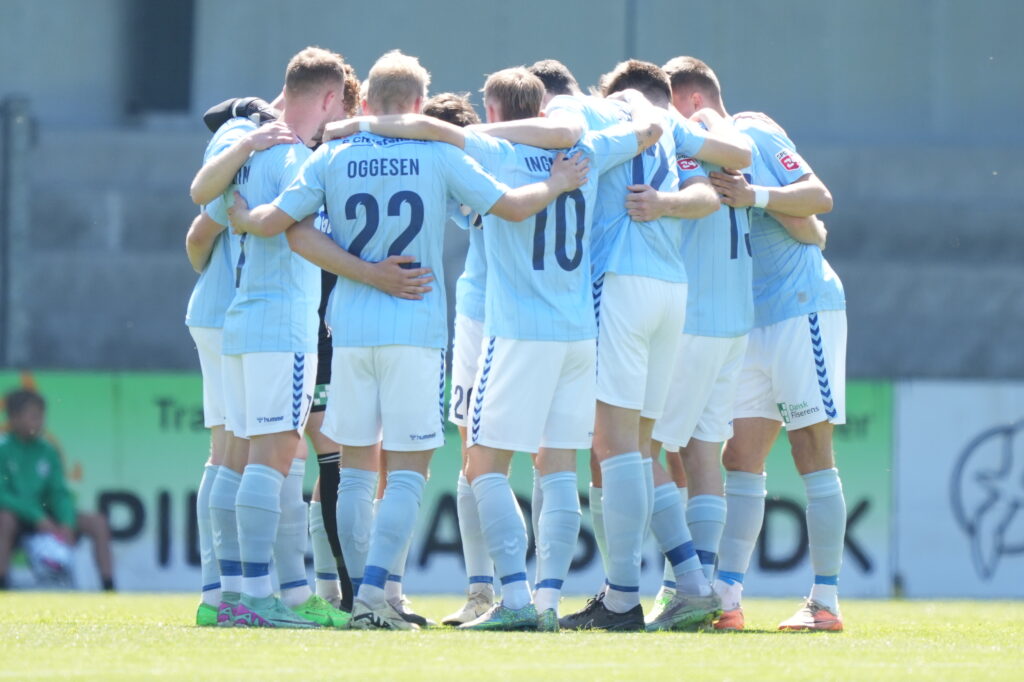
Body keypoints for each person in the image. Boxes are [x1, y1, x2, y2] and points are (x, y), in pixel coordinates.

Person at [229, 49, 589, 630]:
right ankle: (378, 593)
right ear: (420, 106)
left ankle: (362, 601)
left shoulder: (334, 154)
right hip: (416, 329)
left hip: (349, 330)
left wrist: (247, 219)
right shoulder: (436, 152)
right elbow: (513, 208)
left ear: (366, 102)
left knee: (354, 469)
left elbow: (285, 229)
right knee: (409, 472)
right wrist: (556, 183)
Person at [542, 59, 748, 631]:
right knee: (638, 448)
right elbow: (714, 185)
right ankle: (692, 583)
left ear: (617, 94)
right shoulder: (672, 124)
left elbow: (559, 131)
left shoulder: (600, 112)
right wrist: (665, 205)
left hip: (621, 282)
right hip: (670, 290)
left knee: (614, 450)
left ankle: (622, 598)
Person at [664, 56, 845, 632]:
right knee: (740, 457)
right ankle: (728, 597)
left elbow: (818, 198)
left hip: (801, 308)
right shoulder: (698, 154)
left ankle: (826, 601)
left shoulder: (751, 131)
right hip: (750, 321)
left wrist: (757, 197)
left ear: (691, 101)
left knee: (811, 452)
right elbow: (809, 227)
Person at [0, 389, 114, 591]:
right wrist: (36, 517)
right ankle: (3, 585)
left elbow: (59, 492)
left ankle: (109, 587)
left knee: (98, 523)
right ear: (14, 418)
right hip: (18, 517)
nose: (40, 421)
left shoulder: (48, 450)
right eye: (34, 416)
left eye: (42, 416)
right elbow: (3, 494)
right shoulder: (3, 449)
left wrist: (67, 523)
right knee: (4, 520)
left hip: (47, 516)